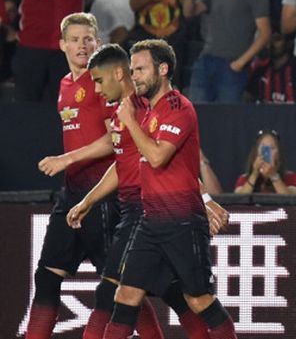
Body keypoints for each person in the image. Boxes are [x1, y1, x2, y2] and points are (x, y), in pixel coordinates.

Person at [66, 43, 229, 339]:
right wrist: (89, 200)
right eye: (132, 70)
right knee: (124, 295)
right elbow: (128, 162)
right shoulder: (142, 111)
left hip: (180, 222)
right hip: (150, 221)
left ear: (162, 69)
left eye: (140, 69)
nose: (135, 76)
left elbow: (157, 157)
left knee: (197, 300)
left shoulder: (177, 108)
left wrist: (205, 200)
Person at [26, 13, 117, 339]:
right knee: (47, 276)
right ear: (62, 44)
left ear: (98, 43)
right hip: (72, 192)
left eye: (88, 39)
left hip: (103, 192)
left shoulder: (104, 81)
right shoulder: (64, 85)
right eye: (75, 39)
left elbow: (113, 141)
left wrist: (67, 158)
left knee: (119, 287)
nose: (82, 45)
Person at [184, 0, 272, 103]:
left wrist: (241, 62)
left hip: (232, 65)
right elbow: (190, 12)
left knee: (226, 118)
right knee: (197, 115)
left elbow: (265, 33)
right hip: (206, 61)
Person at [234, 130, 296, 194]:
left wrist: (273, 175)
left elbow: (291, 201)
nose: (267, 153)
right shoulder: (244, 178)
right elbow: (238, 200)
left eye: (272, 148)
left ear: (278, 153)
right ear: (256, 152)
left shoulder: (292, 177)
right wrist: (254, 174)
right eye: (264, 148)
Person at [244, 32, 295, 103]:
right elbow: (248, 98)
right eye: (269, 39)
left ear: (289, 43)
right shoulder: (260, 69)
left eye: (277, 39)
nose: (272, 44)